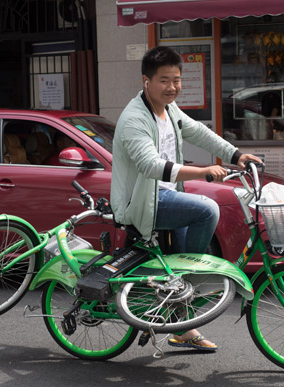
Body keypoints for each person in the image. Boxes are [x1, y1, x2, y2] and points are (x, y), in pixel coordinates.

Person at [111, 46, 261, 350]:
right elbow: (151, 165)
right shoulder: (134, 119)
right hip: (141, 202)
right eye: (164, 80)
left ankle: (183, 327)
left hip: (165, 196)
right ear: (146, 81)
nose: (172, 87)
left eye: (177, 80)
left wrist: (236, 154)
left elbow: (199, 132)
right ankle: (187, 274)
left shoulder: (170, 110)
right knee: (206, 209)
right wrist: (203, 171)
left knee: (179, 254)